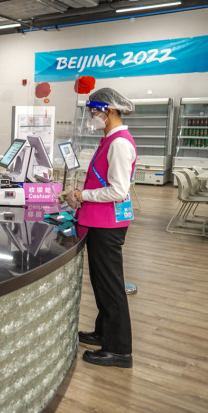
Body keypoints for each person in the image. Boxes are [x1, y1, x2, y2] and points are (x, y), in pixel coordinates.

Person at [65, 87, 137, 368]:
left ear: (110, 110)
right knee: (101, 283)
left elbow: (118, 190)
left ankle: (119, 350)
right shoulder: (109, 139)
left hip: (107, 225)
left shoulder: (119, 143)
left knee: (111, 286)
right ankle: (103, 332)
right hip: (97, 221)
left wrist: (83, 195)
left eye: (94, 111)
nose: (91, 117)